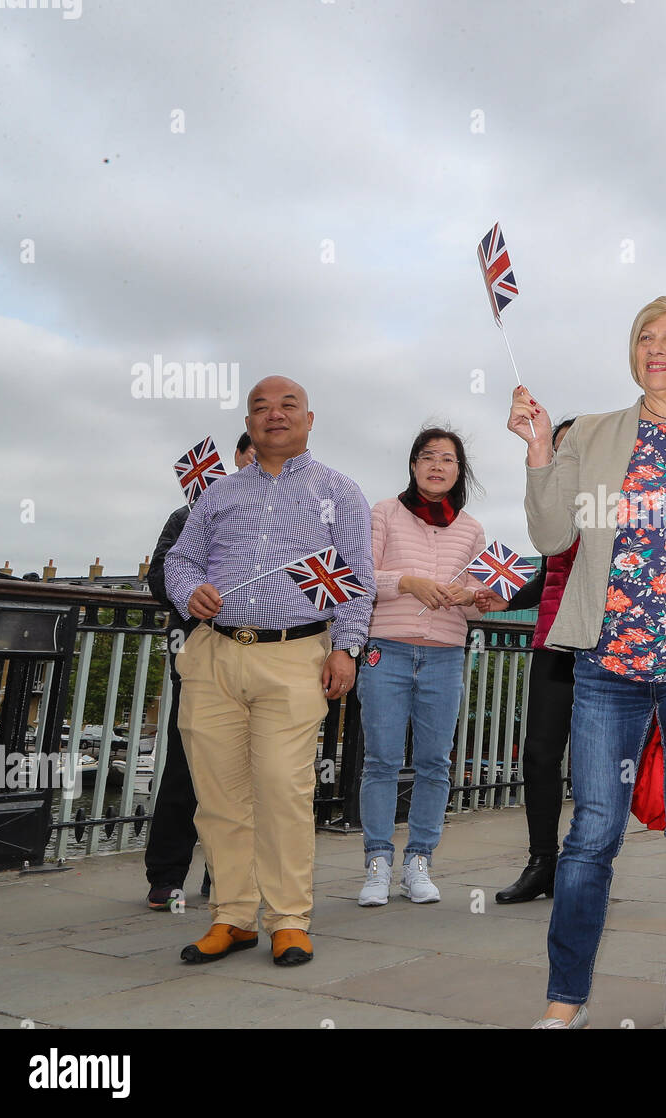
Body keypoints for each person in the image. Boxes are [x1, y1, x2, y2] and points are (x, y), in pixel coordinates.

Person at [510, 293, 666, 1029]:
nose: (656, 348)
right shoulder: (593, 434)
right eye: (645, 337)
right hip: (608, 663)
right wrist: (537, 452)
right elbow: (554, 532)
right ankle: (565, 1002)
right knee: (591, 835)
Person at [166, 376, 374, 967]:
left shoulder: (340, 492)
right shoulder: (219, 494)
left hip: (294, 656)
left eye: (287, 406)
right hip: (214, 654)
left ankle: (289, 920)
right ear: (250, 423)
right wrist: (189, 593)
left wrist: (346, 650)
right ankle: (232, 918)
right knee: (218, 796)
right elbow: (180, 561)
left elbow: (358, 580)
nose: (273, 415)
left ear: (310, 418)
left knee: (283, 791)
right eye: (260, 408)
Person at [355, 426, 510, 907]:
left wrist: (474, 597)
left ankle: (419, 860)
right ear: (413, 464)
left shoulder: (472, 530)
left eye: (448, 459)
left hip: (445, 654)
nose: (437, 466)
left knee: (435, 762)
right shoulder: (383, 511)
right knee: (380, 759)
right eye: (428, 457)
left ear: (459, 471)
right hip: (387, 649)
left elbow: (478, 604)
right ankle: (378, 861)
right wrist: (408, 582)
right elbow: (359, 577)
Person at [144, 432, 254, 911]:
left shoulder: (293, 521)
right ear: (238, 457)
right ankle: (166, 875)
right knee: (186, 767)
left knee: (248, 775)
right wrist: (196, 595)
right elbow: (159, 576)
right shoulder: (192, 514)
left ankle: (223, 874)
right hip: (200, 653)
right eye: (253, 455)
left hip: (262, 661)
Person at [495, 419, 579, 905]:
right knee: (540, 754)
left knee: (595, 763)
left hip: (599, 649)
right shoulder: (552, 504)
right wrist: (500, 601)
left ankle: (584, 864)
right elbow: (545, 572)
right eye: (557, 444)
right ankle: (541, 861)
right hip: (551, 645)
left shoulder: (608, 500)